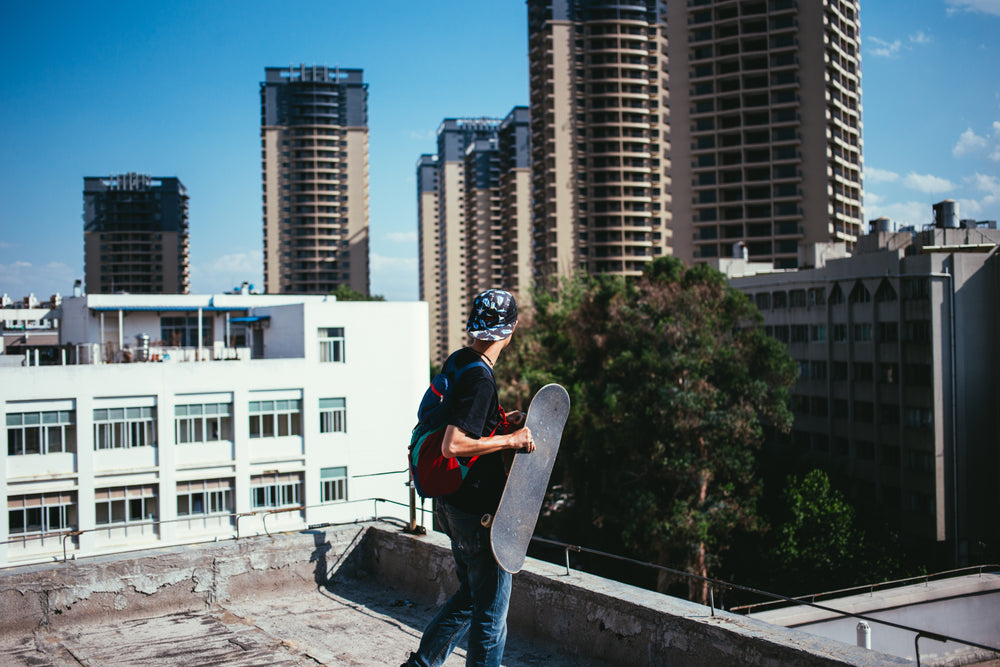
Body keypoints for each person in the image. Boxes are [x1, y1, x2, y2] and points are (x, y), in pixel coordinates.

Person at [403, 289, 534, 667]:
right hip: (478, 514)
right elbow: (453, 444)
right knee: (491, 617)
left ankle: (421, 664)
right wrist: (512, 440)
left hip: (451, 506)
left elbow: (457, 420)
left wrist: (497, 425)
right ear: (508, 333)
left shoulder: (461, 361)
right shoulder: (481, 380)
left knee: (471, 598)